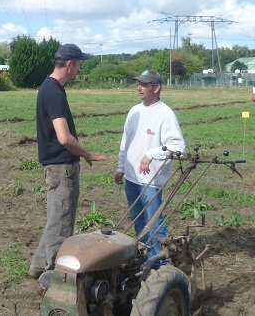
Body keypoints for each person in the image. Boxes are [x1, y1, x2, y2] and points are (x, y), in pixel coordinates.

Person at [28, 43, 108, 286]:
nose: (81, 68)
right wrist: (88, 154)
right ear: (70, 64)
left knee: (55, 219)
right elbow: (64, 137)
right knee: (62, 224)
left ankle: (37, 266)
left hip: (54, 168)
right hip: (63, 169)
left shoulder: (47, 87)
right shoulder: (54, 93)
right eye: (80, 63)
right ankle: (51, 278)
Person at [114, 69, 185, 261]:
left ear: (156, 87)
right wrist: (121, 167)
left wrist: (151, 154)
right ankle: (146, 260)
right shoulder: (134, 111)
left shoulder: (165, 114)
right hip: (131, 178)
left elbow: (178, 146)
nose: (139, 87)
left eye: (144, 84)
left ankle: (162, 265)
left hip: (151, 181)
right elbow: (125, 141)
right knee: (138, 221)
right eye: (139, 84)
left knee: (154, 223)